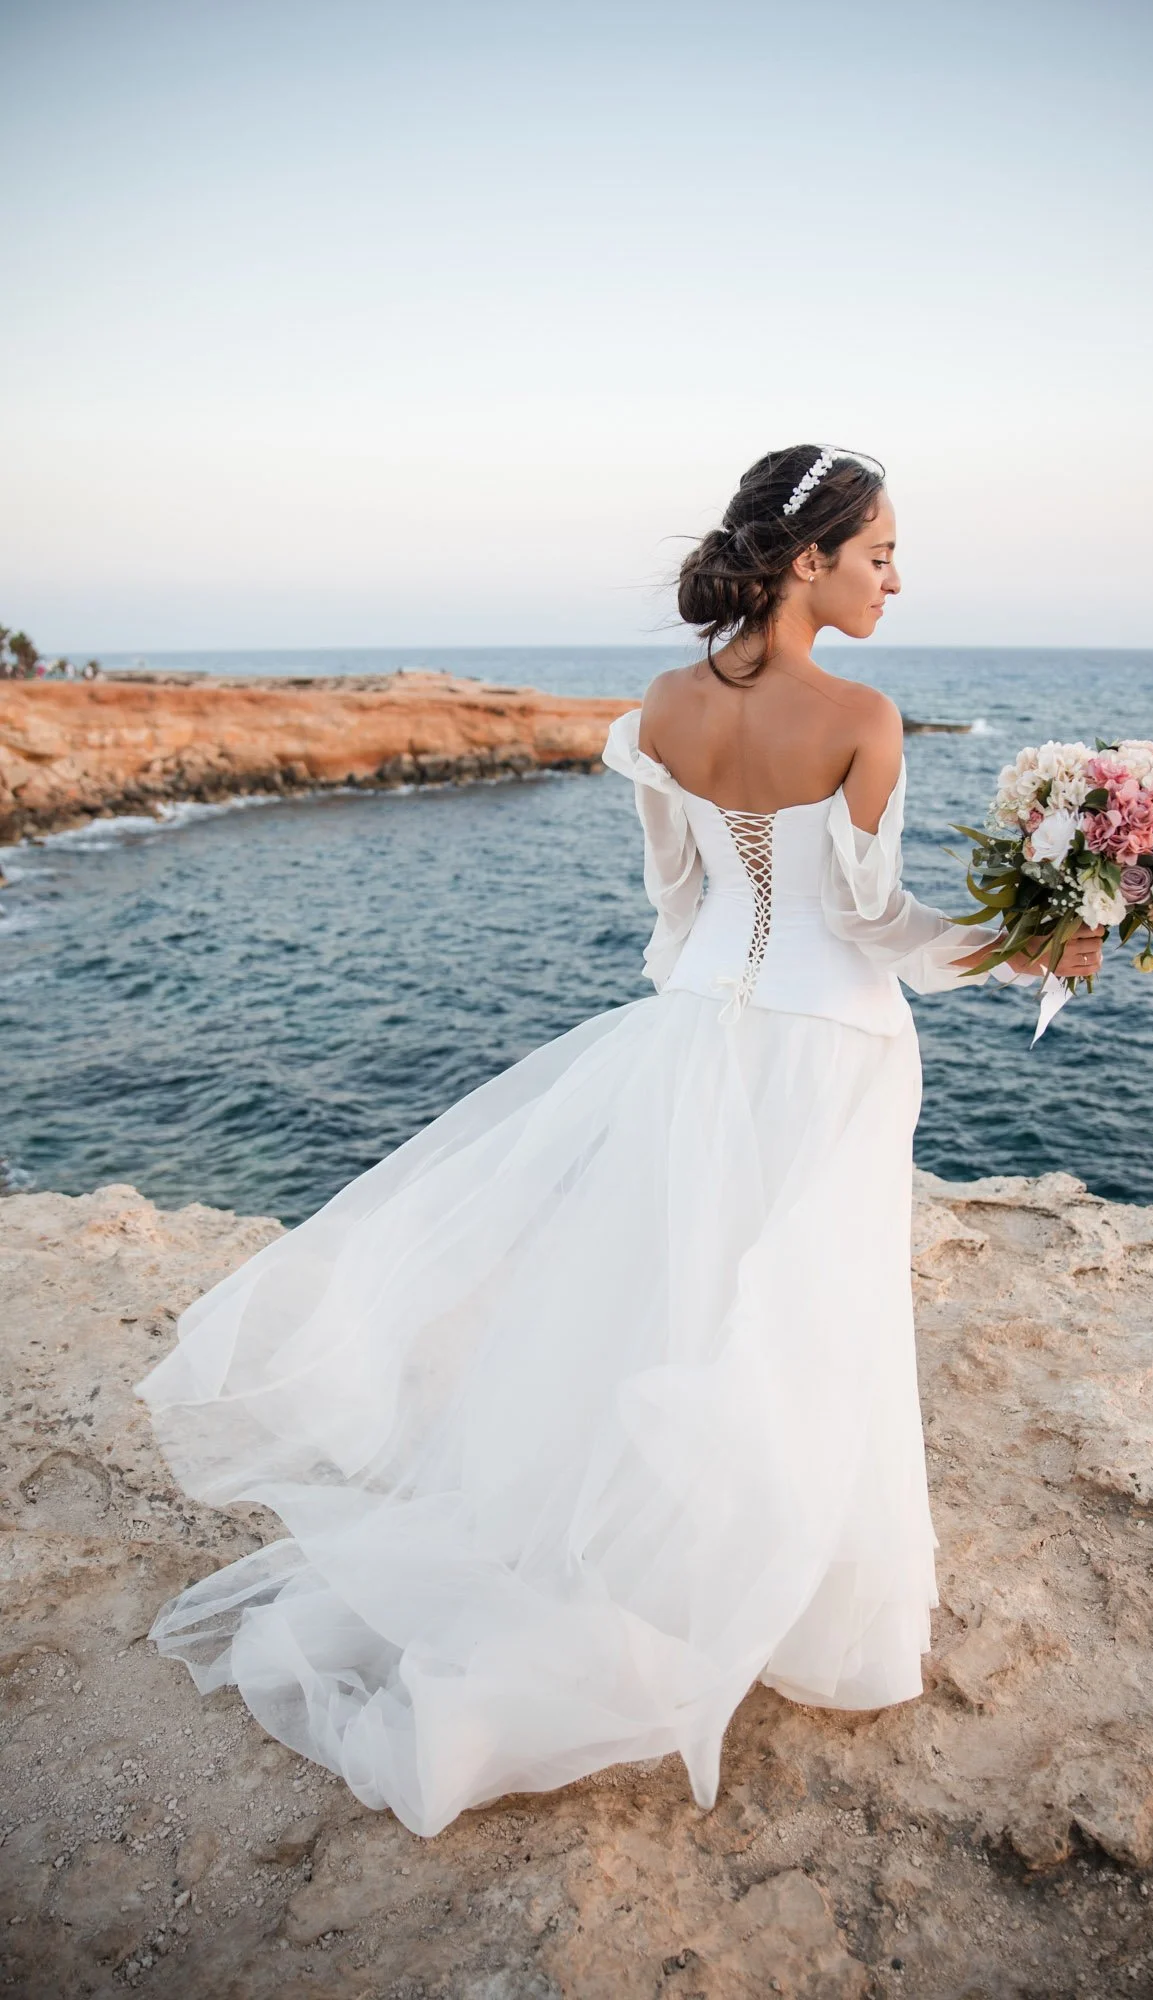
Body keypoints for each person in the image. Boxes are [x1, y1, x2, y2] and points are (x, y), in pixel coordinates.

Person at [136, 446, 1102, 1839]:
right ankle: (801, 1613)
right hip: (831, 1052)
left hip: (694, 1034)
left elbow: (678, 894)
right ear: (808, 562)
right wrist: (1023, 947)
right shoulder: (866, 717)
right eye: (881, 552)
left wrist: (716, 984)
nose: (899, 577)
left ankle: (661, 1565)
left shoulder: (658, 706)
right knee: (808, 1321)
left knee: (677, 1303)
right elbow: (879, 927)